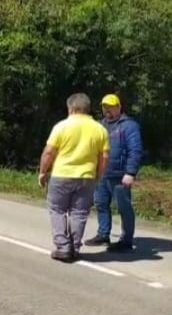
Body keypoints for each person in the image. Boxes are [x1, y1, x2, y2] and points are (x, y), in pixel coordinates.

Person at [38, 93, 110, 262]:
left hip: (62, 175)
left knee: (57, 210)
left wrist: (42, 171)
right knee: (79, 213)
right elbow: (104, 156)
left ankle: (63, 247)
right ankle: (75, 248)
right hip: (86, 177)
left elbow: (49, 152)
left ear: (72, 108)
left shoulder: (62, 126)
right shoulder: (100, 129)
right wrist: (98, 175)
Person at [84, 94, 143, 252]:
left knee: (124, 208)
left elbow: (135, 151)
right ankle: (103, 234)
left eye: (111, 106)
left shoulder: (129, 126)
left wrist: (130, 172)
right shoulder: (100, 125)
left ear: (119, 107)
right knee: (101, 204)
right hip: (102, 173)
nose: (107, 110)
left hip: (120, 175)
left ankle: (126, 240)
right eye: (105, 107)